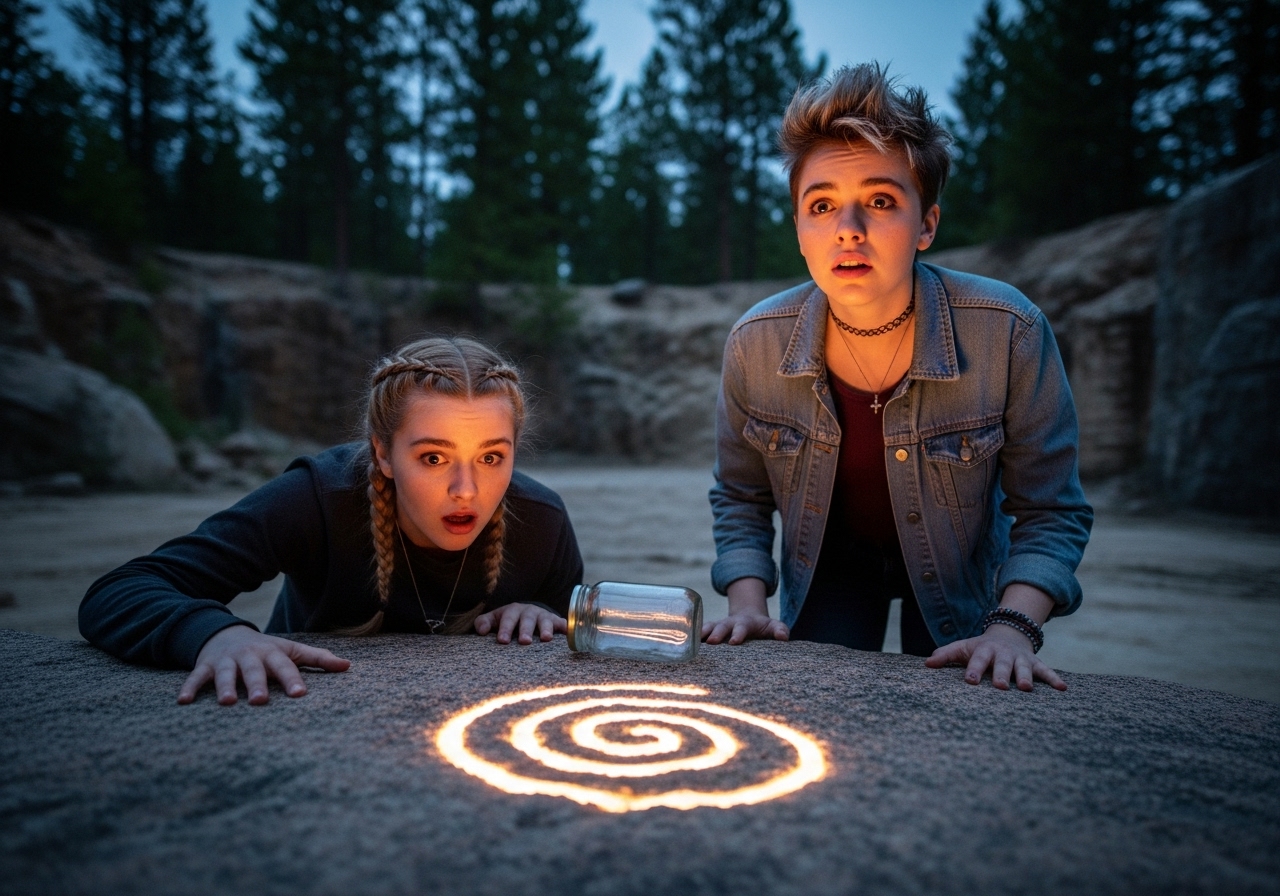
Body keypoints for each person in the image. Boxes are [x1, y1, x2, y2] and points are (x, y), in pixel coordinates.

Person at [702, 64, 1092, 692]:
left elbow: (1051, 508)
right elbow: (741, 494)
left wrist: (1013, 629)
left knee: (960, 712)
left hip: (959, 572)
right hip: (828, 567)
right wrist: (747, 604)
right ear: (800, 229)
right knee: (817, 703)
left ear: (927, 225)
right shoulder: (755, 342)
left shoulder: (1009, 330)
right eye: (821, 204)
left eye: (880, 201)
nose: (848, 228)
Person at [80, 336, 584, 705]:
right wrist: (218, 635)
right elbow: (122, 590)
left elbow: (572, 627)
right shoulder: (319, 497)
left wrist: (541, 611)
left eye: (491, 458)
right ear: (383, 453)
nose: (466, 489)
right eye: (433, 458)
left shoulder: (542, 521)